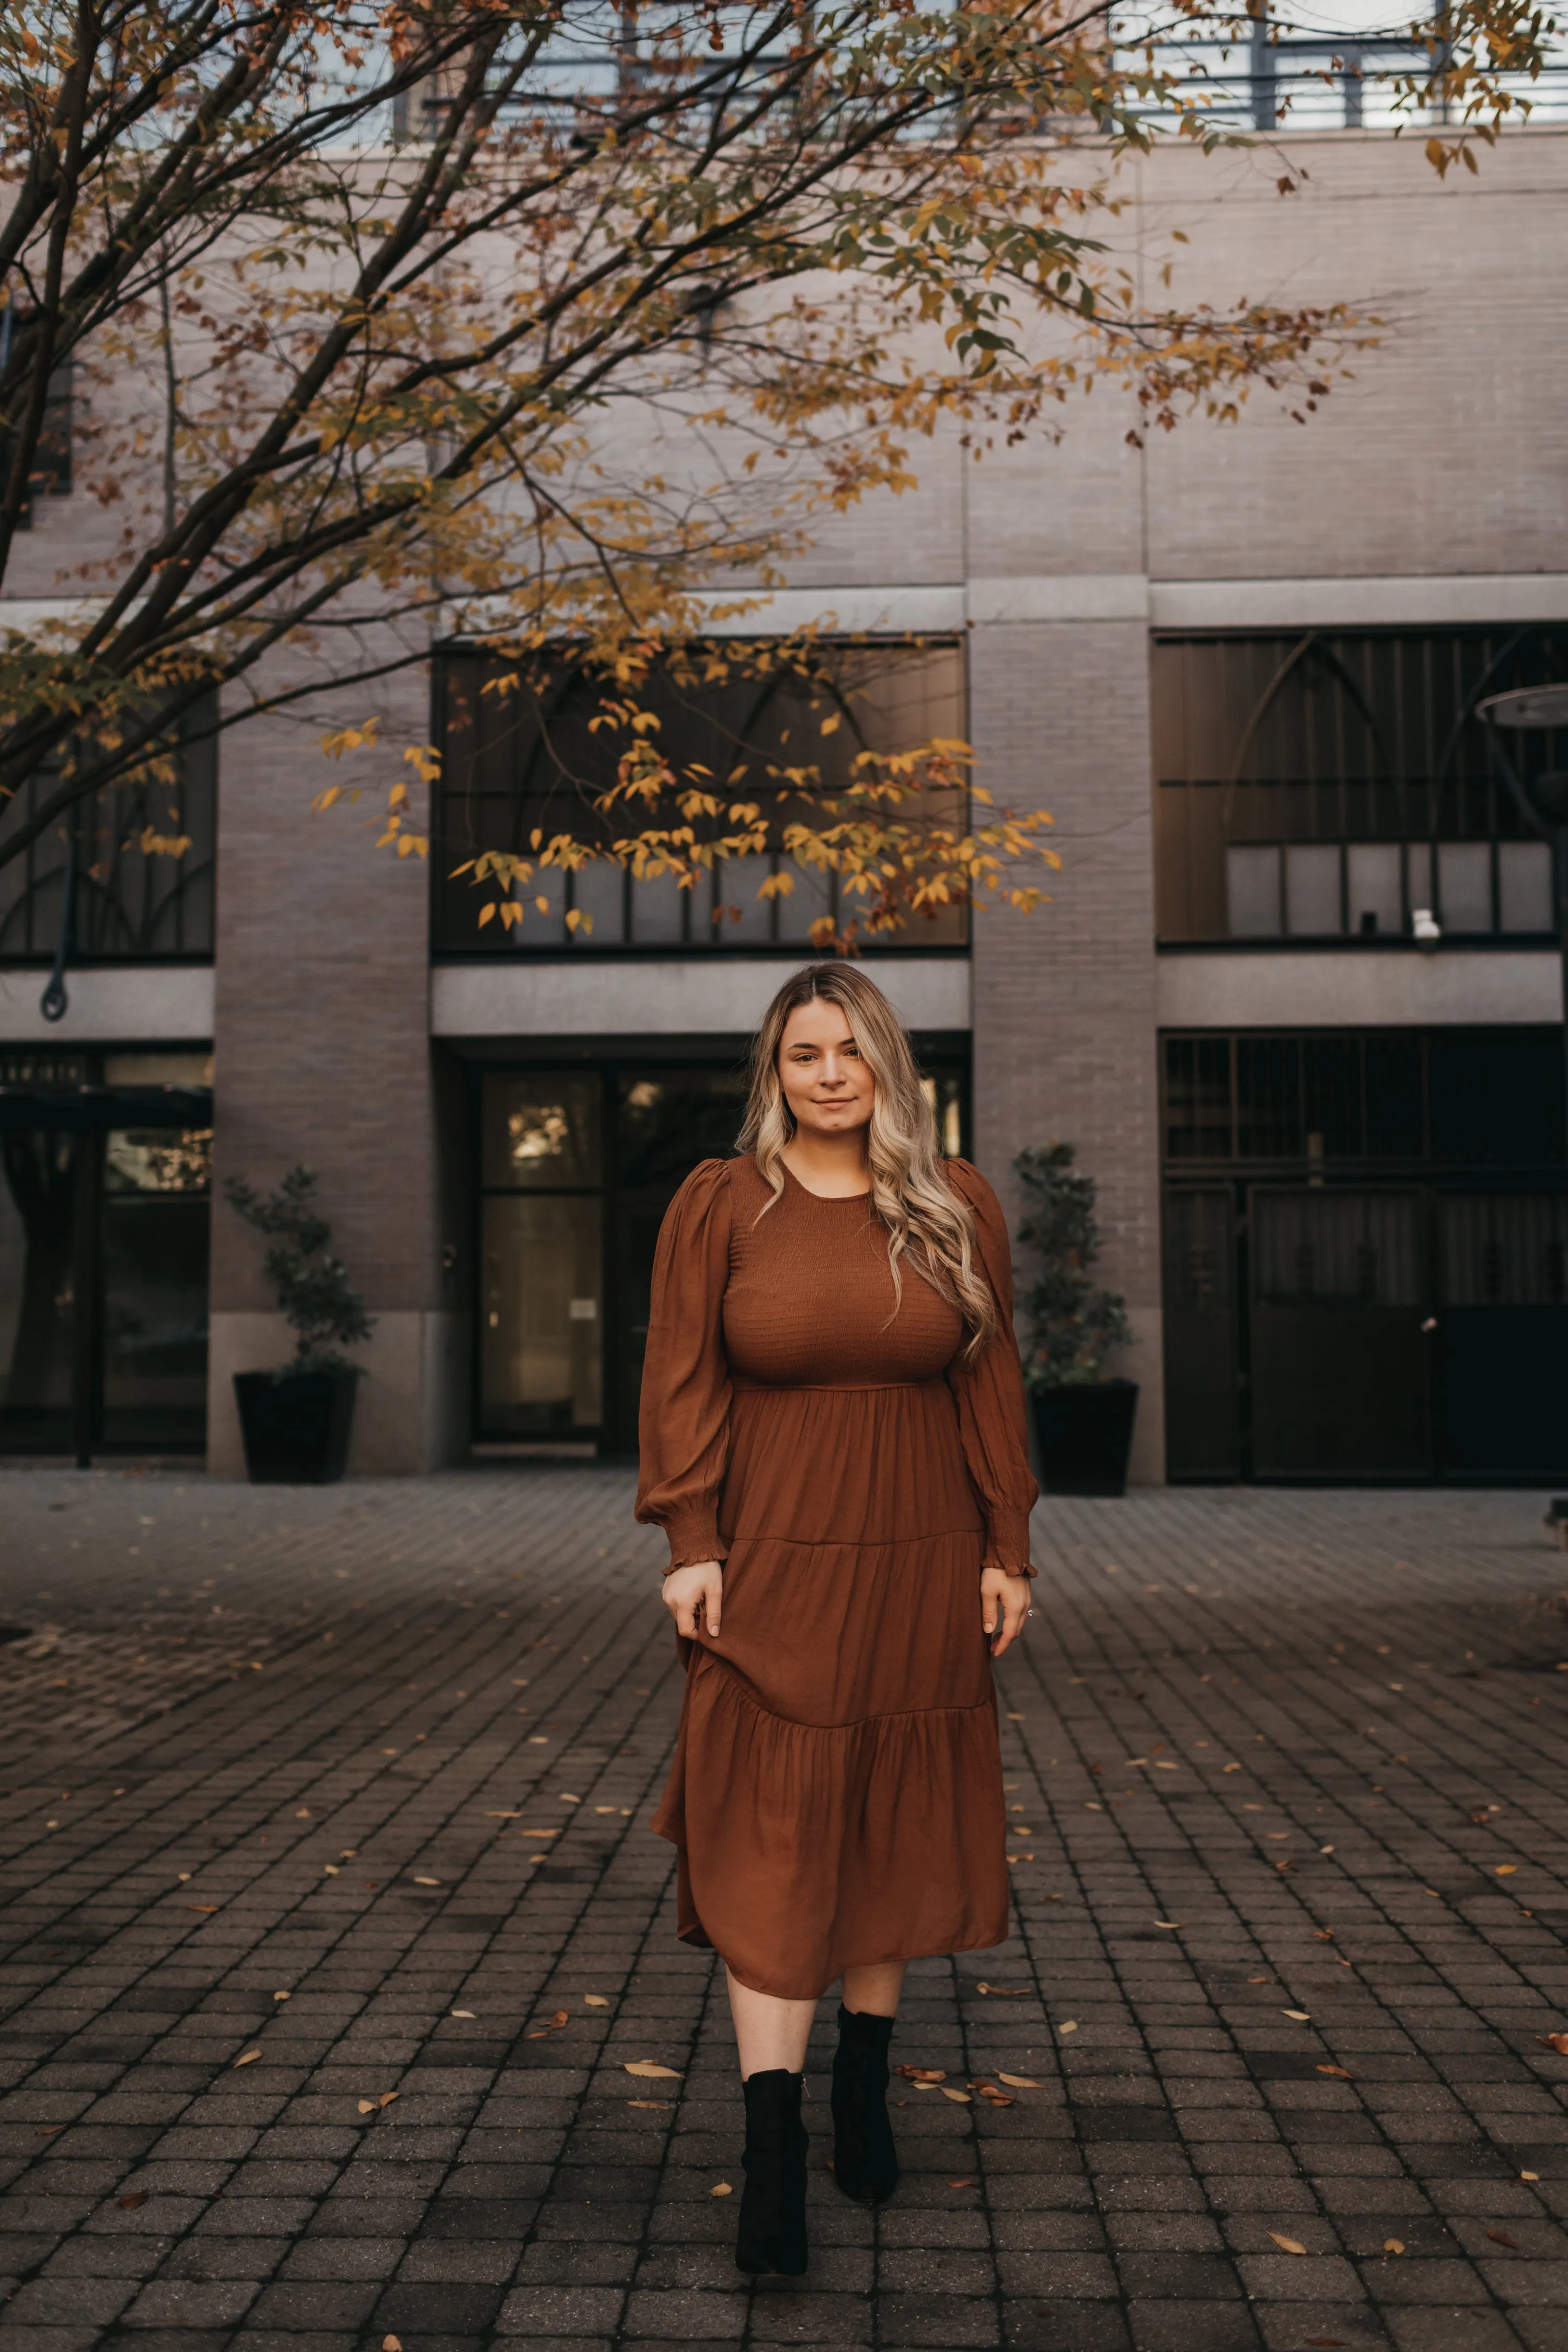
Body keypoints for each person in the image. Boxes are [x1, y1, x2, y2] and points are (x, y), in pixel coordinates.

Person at [635, 960, 1037, 2276]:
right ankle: (771, 2148)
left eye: (849, 1052)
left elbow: (989, 1389)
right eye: (803, 1053)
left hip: (922, 1561)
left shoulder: (954, 1203)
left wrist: (1007, 1545)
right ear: (775, 1070)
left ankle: (864, 2083)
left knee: (886, 1817)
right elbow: (682, 1381)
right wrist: (691, 1541)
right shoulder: (721, 1204)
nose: (826, 1075)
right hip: (775, 1564)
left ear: (885, 1068)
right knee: (771, 1830)